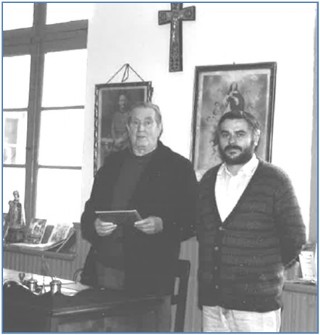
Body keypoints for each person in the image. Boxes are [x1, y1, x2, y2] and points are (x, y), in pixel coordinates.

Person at [81, 102, 197, 329]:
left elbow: (193, 219)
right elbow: (89, 211)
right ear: (128, 127)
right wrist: (94, 225)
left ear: (160, 127)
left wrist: (163, 224)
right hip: (105, 271)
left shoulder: (178, 167)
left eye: (148, 122)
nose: (141, 129)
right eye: (135, 123)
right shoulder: (112, 163)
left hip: (150, 276)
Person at [196, 110, 306, 332]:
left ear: (255, 138)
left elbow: (295, 237)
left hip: (257, 308)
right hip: (214, 305)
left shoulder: (275, 180)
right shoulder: (207, 180)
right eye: (225, 134)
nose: (232, 141)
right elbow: (203, 231)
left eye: (239, 134)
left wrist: (263, 271)